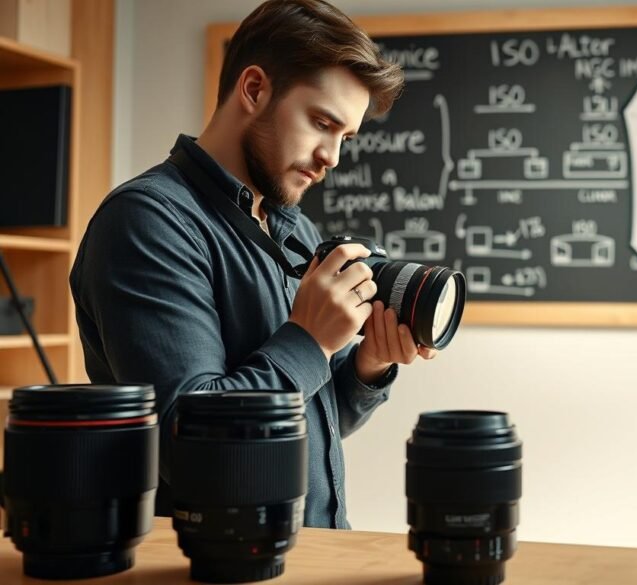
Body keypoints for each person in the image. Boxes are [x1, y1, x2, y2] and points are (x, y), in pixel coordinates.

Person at [70, 0, 424, 529]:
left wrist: (368, 366)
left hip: (318, 554)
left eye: (344, 137)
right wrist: (310, 342)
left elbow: (304, 419)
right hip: (214, 562)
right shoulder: (148, 223)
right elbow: (190, 445)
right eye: (322, 123)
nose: (333, 156)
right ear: (255, 89)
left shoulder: (294, 230)